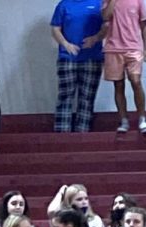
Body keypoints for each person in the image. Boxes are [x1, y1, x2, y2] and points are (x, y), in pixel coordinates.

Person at [51, 0, 106, 133]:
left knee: (87, 98)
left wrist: (96, 38)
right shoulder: (64, 5)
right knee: (65, 95)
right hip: (67, 57)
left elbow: (107, 25)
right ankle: (62, 134)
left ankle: (83, 133)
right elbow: (55, 28)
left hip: (92, 57)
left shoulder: (100, 4)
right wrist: (66, 44)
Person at [102, 0, 146, 135]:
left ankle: (142, 120)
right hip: (113, 48)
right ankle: (123, 120)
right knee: (118, 84)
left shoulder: (138, 1)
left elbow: (144, 25)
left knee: (136, 81)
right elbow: (105, 17)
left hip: (134, 47)